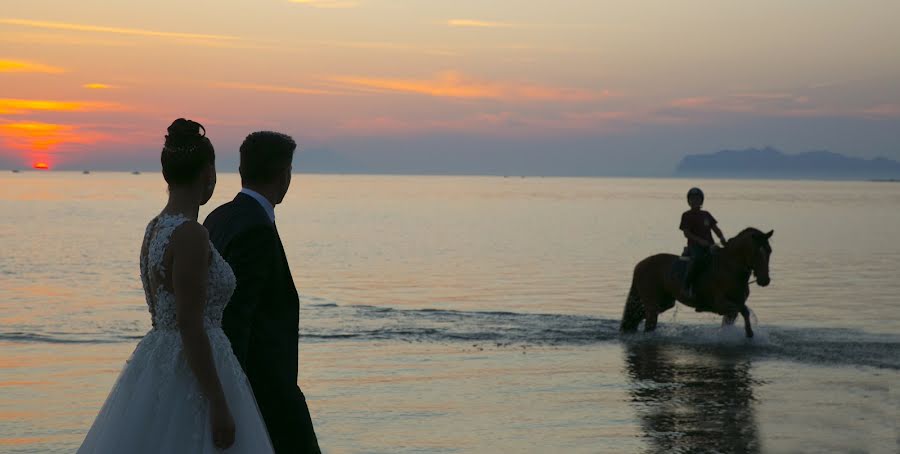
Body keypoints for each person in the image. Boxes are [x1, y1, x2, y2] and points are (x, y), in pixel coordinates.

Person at [78, 119, 274, 453]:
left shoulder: (155, 228)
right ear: (207, 174)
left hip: (158, 360)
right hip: (194, 368)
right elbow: (190, 322)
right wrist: (217, 400)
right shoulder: (190, 235)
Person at [204, 131, 321, 453]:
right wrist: (235, 396)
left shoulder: (219, 216)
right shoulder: (256, 227)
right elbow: (238, 316)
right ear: (285, 174)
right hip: (263, 387)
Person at [679, 187, 727, 300]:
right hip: (694, 246)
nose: (695, 201)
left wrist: (722, 238)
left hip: (710, 245)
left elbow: (715, 228)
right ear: (688, 201)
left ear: (701, 201)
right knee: (697, 259)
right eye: (692, 199)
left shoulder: (706, 214)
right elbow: (686, 233)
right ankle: (686, 286)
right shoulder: (686, 215)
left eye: (697, 199)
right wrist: (700, 241)